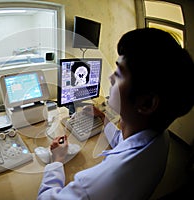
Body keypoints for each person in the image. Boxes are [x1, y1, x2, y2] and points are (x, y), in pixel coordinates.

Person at [37, 28, 194, 199]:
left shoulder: (91, 185)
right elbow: (123, 141)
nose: (110, 78)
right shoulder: (161, 138)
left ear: (147, 103)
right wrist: (103, 118)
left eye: (119, 73)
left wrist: (57, 160)